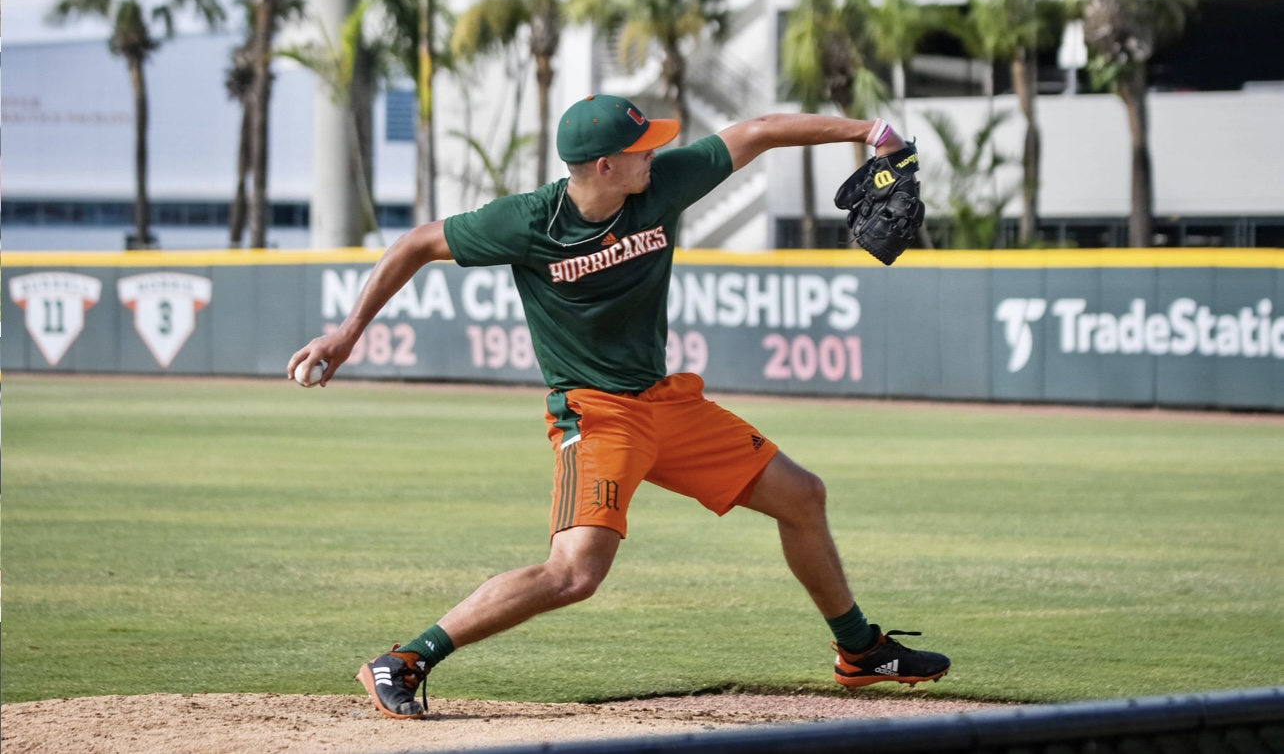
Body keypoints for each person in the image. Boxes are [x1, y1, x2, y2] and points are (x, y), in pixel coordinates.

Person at [287, 94, 950, 720]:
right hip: (595, 416)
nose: (654, 154)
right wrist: (347, 332)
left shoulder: (661, 184)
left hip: (667, 406)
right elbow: (415, 244)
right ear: (604, 166)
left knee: (802, 494)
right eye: (640, 147)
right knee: (574, 572)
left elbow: (760, 131)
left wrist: (867, 133)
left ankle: (859, 651)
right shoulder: (528, 222)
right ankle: (403, 660)